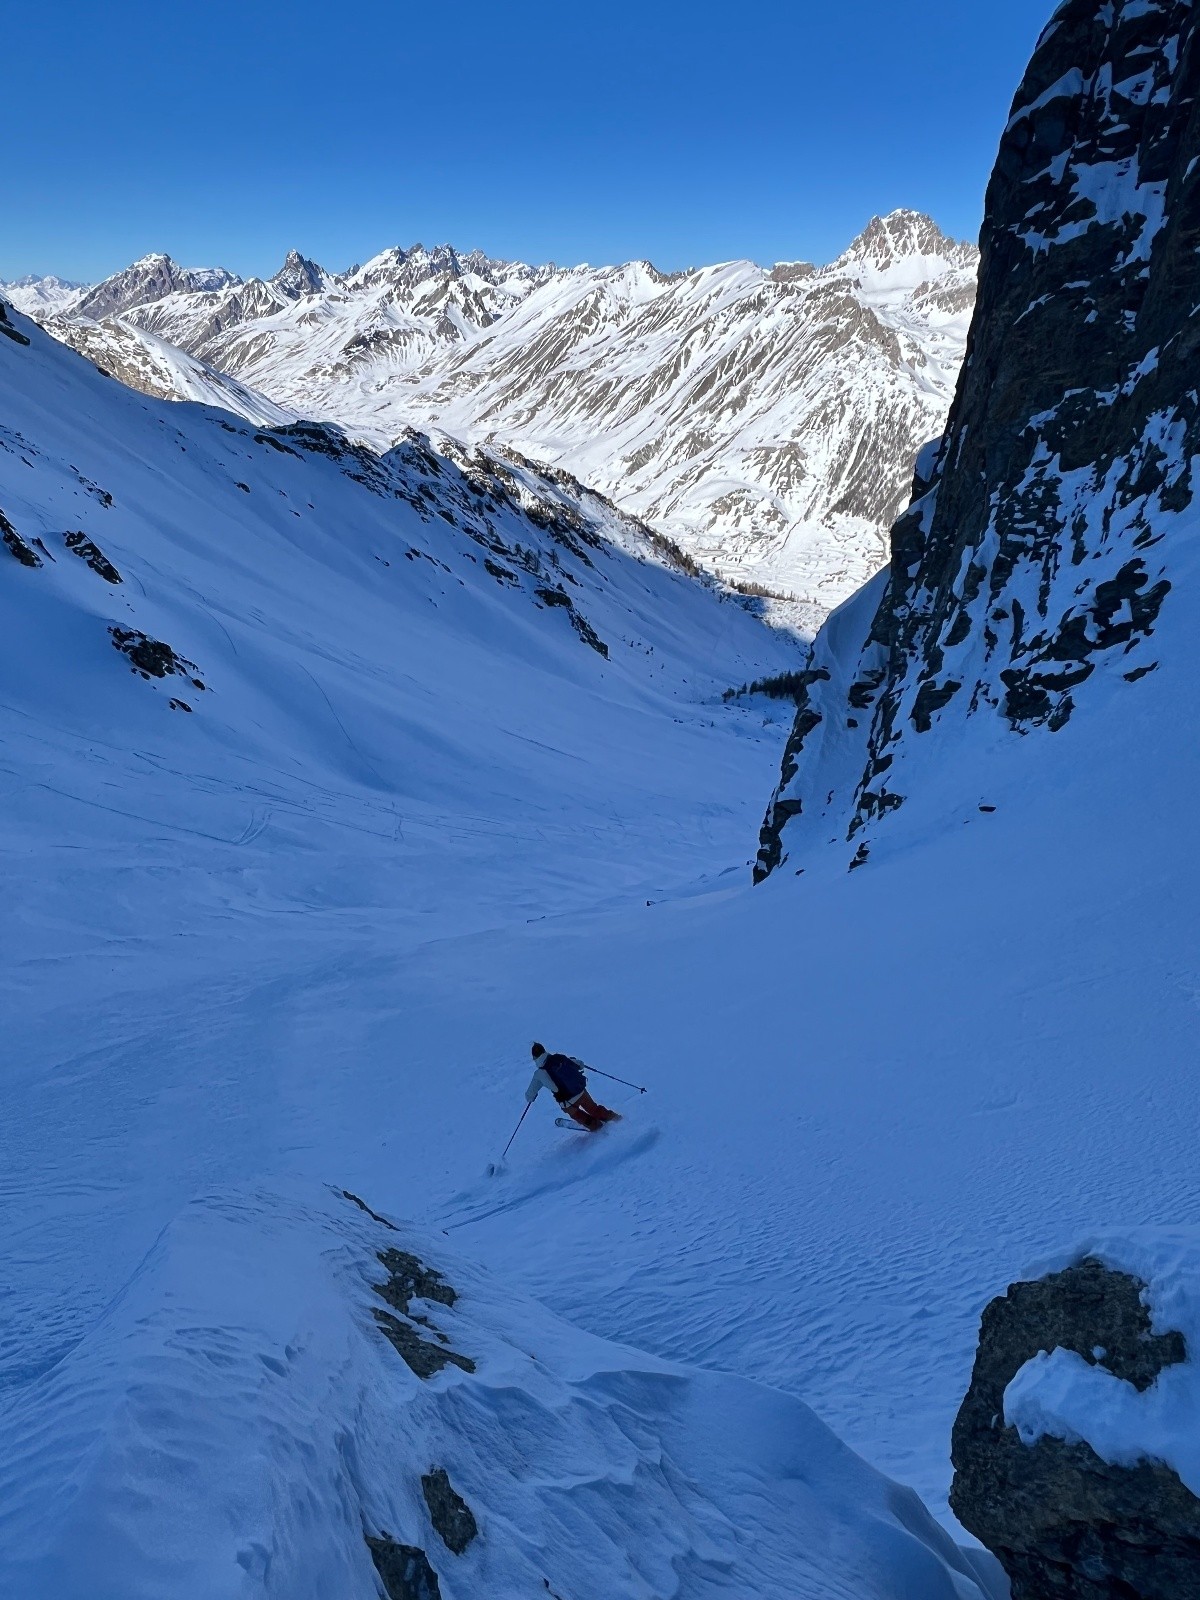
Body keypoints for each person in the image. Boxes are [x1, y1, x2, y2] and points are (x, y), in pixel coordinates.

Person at [525, 1042, 621, 1131]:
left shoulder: (539, 1074)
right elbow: (579, 1064)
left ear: (534, 1058)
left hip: (567, 1101)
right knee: (594, 1108)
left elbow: (529, 1095)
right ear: (544, 1051)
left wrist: (531, 1098)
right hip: (580, 1091)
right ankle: (615, 1118)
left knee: (578, 1115)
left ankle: (595, 1126)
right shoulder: (559, 1058)